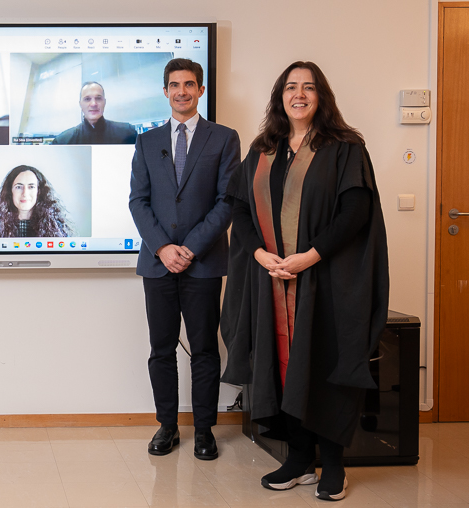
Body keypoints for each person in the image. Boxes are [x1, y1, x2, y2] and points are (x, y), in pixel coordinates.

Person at [221, 61, 389, 501]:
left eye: (308, 87)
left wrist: (309, 257)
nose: (299, 94)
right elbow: (240, 207)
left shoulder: (344, 147)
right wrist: (261, 255)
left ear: (321, 96)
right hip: (272, 282)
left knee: (324, 365)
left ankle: (333, 464)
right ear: (280, 96)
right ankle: (298, 460)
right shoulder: (264, 149)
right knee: (281, 368)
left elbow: (355, 212)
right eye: (291, 87)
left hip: (326, 281)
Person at [129, 58, 240, 461]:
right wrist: (163, 247)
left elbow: (227, 202)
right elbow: (138, 201)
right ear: (165, 91)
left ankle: (205, 430)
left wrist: (190, 248)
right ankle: (167, 426)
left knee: (205, 348)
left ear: (201, 90)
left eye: (189, 84)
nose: (181, 91)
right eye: (174, 85)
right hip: (157, 263)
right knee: (161, 348)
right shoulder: (146, 141)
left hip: (203, 262)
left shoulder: (224, 138)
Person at [0, 165, 72, 238]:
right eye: (18, 187)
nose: (25, 193)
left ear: (39, 192)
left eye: (31, 187)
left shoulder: (54, 224)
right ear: (10, 191)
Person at [51, 82, 138, 145]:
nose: (93, 104)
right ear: (80, 104)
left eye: (98, 98)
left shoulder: (128, 133)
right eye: (87, 99)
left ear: (104, 102)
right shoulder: (63, 141)